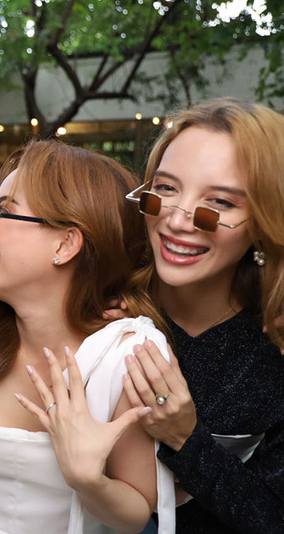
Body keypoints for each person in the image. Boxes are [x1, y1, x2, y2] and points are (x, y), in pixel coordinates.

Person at [0, 140, 176, 533]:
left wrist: (90, 480)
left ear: (66, 243)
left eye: (4, 212)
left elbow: (136, 511)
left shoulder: (127, 359)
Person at [121, 97, 284, 533]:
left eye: (221, 203)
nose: (177, 221)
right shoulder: (102, 299)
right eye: (167, 189)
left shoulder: (274, 350)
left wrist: (186, 439)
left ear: (266, 219)